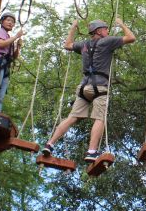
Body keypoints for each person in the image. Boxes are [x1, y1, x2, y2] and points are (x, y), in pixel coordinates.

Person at [42, 17, 136, 162]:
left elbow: (67, 45)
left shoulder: (84, 45)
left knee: (72, 117)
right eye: (105, 28)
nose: (108, 31)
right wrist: (122, 24)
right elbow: (131, 38)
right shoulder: (107, 41)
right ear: (99, 31)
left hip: (84, 87)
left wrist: (73, 28)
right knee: (99, 118)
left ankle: (50, 144)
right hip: (99, 86)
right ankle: (91, 151)